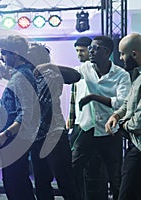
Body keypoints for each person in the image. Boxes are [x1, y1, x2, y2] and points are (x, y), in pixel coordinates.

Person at [71, 35, 131, 200]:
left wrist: (93, 97)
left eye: (95, 48)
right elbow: (71, 75)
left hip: (110, 132)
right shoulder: (86, 68)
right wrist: (50, 68)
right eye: (90, 47)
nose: (91, 50)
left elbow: (122, 103)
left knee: (115, 176)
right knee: (73, 169)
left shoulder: (121, 75)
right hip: (87, 129)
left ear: (107, 52)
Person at [0, 35, 40, 200]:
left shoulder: (21, 77)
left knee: (15, 185)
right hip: (16, 141)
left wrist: (5, 134)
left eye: (5, 53)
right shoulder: (21, 74)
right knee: (17, 183)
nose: (2, 58)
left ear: (16, 54)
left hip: (15, 141)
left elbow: (27, 112)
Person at [26, 43, 81, 200]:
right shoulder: (28, 76)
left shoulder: (50, 74)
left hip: (54, 135)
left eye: (29, 54)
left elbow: (40, 104)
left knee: (65, 181)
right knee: (42, 182)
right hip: (37, 136)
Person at [67, 36, 108, 200]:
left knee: (96, 169)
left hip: (96, 127)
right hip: (79, 125)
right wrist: (71, 119)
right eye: (77, 51)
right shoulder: (78, 72)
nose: (79, 54)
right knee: (77, 168)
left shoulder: (99, 72)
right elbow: (74, 97)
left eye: (82, 50)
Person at [105, 32, 141, 200]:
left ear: (134, 54)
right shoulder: (138, 75)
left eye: (122, 54)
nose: (120, 58)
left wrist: (122, 125)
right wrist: (116, 115)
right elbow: (129, 102)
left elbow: (139, 121)